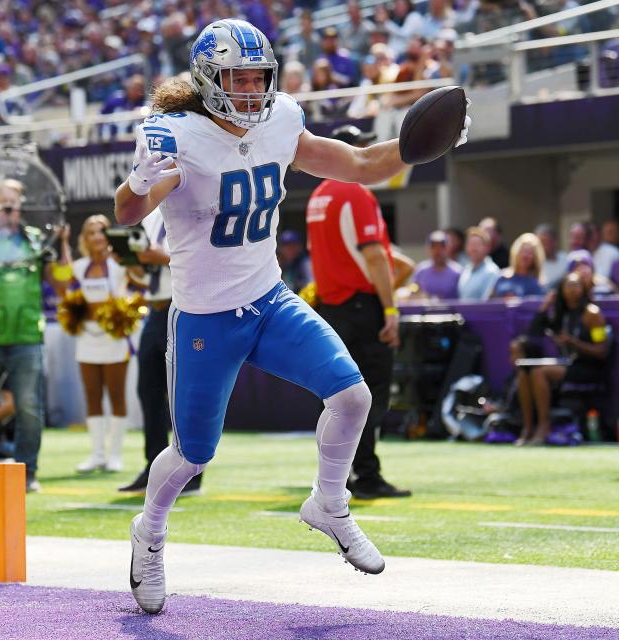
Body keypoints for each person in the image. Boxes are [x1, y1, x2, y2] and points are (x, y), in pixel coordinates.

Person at [113, 19, 470, 614]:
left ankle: (328, 503)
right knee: (194, 455)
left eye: (260, 77)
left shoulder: (280, 119)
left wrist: (419, 148)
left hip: (270, 300)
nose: (253, 89)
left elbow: (357, 163)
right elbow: (129, 212)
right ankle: (148, 532)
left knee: (353, 397)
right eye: (239, 78)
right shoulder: (178, 135)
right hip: (206, 318)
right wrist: (138, 180)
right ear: (208, 80)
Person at [306, 123, 412, 501]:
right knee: (371, 395)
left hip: (330, 309)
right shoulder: (354, 191)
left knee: (339, 397)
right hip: (361, 306)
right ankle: (365, 474)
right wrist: (389, 308)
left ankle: (339, 474)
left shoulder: (318, 196)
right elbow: (374, 256)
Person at [0, 179, 67, 494]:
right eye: (3, 202)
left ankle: (28, 471)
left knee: (29, 405)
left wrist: (63, 245)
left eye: (13, 202)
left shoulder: (35, 242)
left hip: (27, 334)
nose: (8, 208)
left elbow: (62, 283)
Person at [120, 208, 203, 496]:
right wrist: (133, 263)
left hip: (184, 306)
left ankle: (191, 470)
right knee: (149, 390)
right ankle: (153, 464)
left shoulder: (195, 206)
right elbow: (147, 275)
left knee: (184, 392)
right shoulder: (151, 216)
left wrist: (163, 258)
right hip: (155, 308)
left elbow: (204, 258)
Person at [67, 215, 145, 474]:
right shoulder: (78, 267)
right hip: (87, 338)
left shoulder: (119, 265)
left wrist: (129, 256)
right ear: (85, 239)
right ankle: (97, 454)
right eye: (91, 232)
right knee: (92, 395)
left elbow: (142, 279)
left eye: (101, 231)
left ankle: (114, 455)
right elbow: (66, 294)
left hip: (114, 337)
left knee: (116, 394)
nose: (97, 236)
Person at [515, 272, 610, 445]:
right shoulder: (562, 314)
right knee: (524, 370)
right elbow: (534, 332)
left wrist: (573, 343)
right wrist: (545, 306)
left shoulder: (592, 314)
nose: (572, 289)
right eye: (567, 285)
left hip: (589, 367)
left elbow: (602, 351)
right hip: (569, 364)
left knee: (539, 372)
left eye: (576, 285)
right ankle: (528, 428)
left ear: (584, 289)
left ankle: (544, 426)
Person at [491, 232, 545, 298]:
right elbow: (489, 301)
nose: (525, 256)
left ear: (535, 258)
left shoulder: (537, 284)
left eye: (530, 253)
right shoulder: (502, 278)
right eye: (523, 251)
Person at [411, 230, 461, 299]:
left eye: (442, 246)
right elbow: (413, 292)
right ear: (428, 249)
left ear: (448, 248)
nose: (438, 251)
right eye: (433, 246)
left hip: (451, 310)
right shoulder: (421, 271)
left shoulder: (457, 272)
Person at [457, 226, 500, 300]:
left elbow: (486, 302)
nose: (473, 248)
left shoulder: (492, 271)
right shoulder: (466, 269)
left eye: (477, 244)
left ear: (487, 247)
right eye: (470, 244)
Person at [535, 223, 566, 288]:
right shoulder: (533, 264)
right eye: (538, 243)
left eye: (544, 242)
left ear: (554, 242)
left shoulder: (566, 259)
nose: (540, 246)